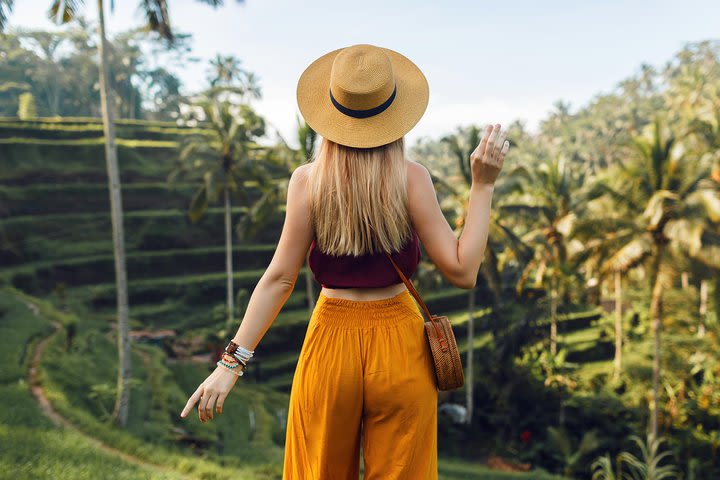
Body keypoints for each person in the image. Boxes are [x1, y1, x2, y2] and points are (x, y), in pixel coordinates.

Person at [180, 43, 509, 479]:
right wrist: (482, 186)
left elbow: (279, 278)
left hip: (330, 342)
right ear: (394, 115)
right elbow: (463, 270)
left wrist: (230, 364)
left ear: (330, 114)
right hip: (401, 345)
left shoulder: (307, 182)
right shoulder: (412, 178)